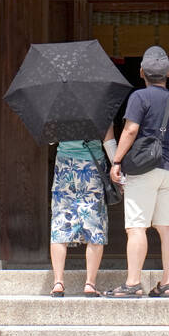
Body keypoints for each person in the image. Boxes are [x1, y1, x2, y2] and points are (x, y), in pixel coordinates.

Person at [106, 46, 169, 298]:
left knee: (136, 227)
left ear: (141, 72)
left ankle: (133, 283)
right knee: (167, 228)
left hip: (143, 170)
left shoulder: (139, 98)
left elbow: (131, 131)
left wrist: (117, 161)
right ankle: (167, 283)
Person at [49, 123, 117, 298]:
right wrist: (117, 164)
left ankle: (58, 282)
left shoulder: (59, 107)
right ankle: (90, 284)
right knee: (94, 222)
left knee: (60, 222)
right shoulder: (101, 105)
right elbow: (108, 139)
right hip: (92, 166)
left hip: (64, 167)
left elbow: (50, 139)